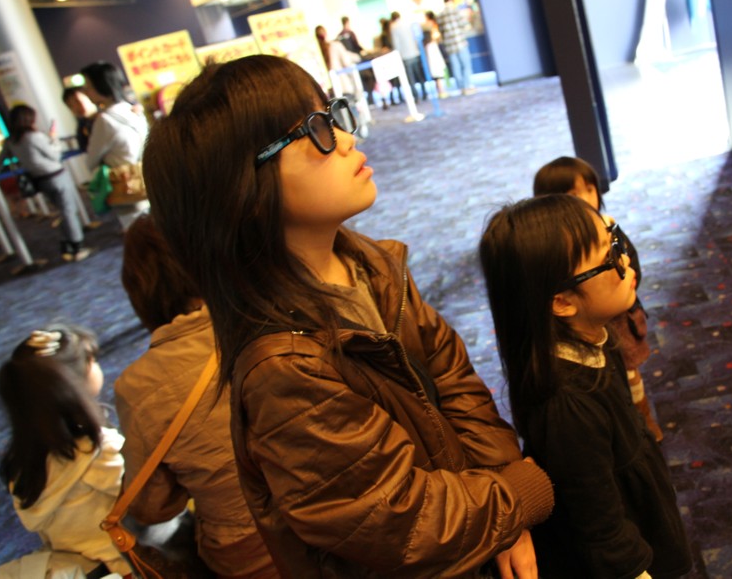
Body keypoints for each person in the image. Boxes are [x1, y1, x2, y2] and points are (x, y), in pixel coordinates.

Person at [140, 54, 554, 577]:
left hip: (473, 530)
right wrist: (520, 494)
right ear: (243, 189)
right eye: (314, 129)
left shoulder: (372, 263)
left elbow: (453, 377)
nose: (344, 137)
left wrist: (501, 497)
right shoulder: (283, 369)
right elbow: (399, 518)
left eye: (333, 113)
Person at [479, 194, 692, 579]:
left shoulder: (598, 336)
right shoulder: (567, 406)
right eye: (609, 258)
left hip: (636, 504)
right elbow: (601, 531)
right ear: (562, 303)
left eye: (616, 241)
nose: (625, 259)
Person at [115, 215, 277, 578]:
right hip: (347, 520)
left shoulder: (140, 386)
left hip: (253, 556)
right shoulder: (288, 313)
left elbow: (151, 508)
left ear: (141, 290)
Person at [533, 156, 663, 441]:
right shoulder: (558, 250)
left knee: (630, 374)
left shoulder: (608, 226)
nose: (585, 199)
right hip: (591, 325)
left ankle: (644, 419)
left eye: (590, 189)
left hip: (620, 321)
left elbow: (631, 261)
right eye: (572, 194)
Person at [0, 324, 132, 577]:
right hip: (128, 563)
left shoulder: (21, 463)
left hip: (79, 567)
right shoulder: (97, 452)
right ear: (71, 383)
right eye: (91, 360)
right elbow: (147, 498)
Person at [0, 104, 92, 262]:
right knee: (69, 211)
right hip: (56, 176)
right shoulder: (34, 136)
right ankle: (77, 247)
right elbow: (55, 155)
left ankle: (68, 245)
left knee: (64, 211)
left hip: (39, 180)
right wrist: (53, 139)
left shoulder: (11, 141)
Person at [80, 61, 150, 232]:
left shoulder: (105, 120)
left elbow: (91, 161)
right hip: (147, 177)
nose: (86, 92)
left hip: (126, 186)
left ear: (101, 85)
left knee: (137, 232)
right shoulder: (133, 110)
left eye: (88, 86)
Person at [437, 0, 476, 95]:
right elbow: (465, 25)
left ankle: (461, 87)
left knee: (456, 67)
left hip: (449, 45)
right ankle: (467, 86)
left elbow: (441, 31)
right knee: (466, 65)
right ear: (451, 1)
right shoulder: (456, 12)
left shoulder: (440, 15)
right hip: (460, 42)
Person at [390, 11, 430, 101]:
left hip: (405, 55)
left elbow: (396, 44)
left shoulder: (394, 27)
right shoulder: (408, 23)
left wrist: (397, 55)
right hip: (415, 52)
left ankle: (416, 96)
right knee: (419, 74)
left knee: (410, 77)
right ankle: (424, 92)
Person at [336, 16, 376, 105]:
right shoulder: (350, 33)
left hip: (349, 64)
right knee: (368, 77)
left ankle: (363, 101)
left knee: (357, 82)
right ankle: (369, 98)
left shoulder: (339, 37)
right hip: (356, 61)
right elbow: (356, 46)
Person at [61, 86, 97, 153]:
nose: (76, 107)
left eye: (77, 101)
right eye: (71, 106)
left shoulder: (106, 115)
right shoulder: (81, 128)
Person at [423, 11, 450, 98]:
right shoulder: (433, 26)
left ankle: (441, 90)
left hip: (434, 50)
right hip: (435, 50)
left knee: (438, 71)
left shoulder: (428, 26)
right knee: (439, 71)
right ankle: (442, 90)